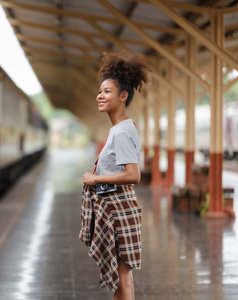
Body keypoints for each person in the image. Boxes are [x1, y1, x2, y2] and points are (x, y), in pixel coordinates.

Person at [79, 53, 150, 300]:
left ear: (123, 96)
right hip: (117, 209)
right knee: (123, 280)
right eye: (100, 91)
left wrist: (95, 179)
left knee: (122, 283)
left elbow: (133, 174)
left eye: (107, 92)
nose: (100, 96)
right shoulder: (120, 129)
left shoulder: (120, 132)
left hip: (118, 210)